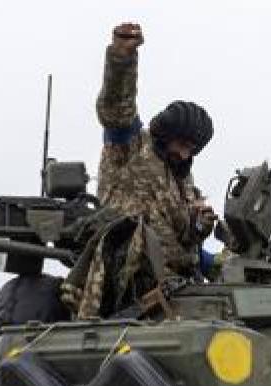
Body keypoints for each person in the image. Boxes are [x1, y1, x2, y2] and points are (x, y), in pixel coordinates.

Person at [62, 21, 218, 317]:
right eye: (182, 144)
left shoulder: (183, 181)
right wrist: (122, 59)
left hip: (174, 289)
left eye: (192, 148)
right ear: (165, 134)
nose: (185, 153)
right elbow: (116, 108)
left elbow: (178, 243)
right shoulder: (131, 147)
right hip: (126, 282)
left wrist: (201, 233)